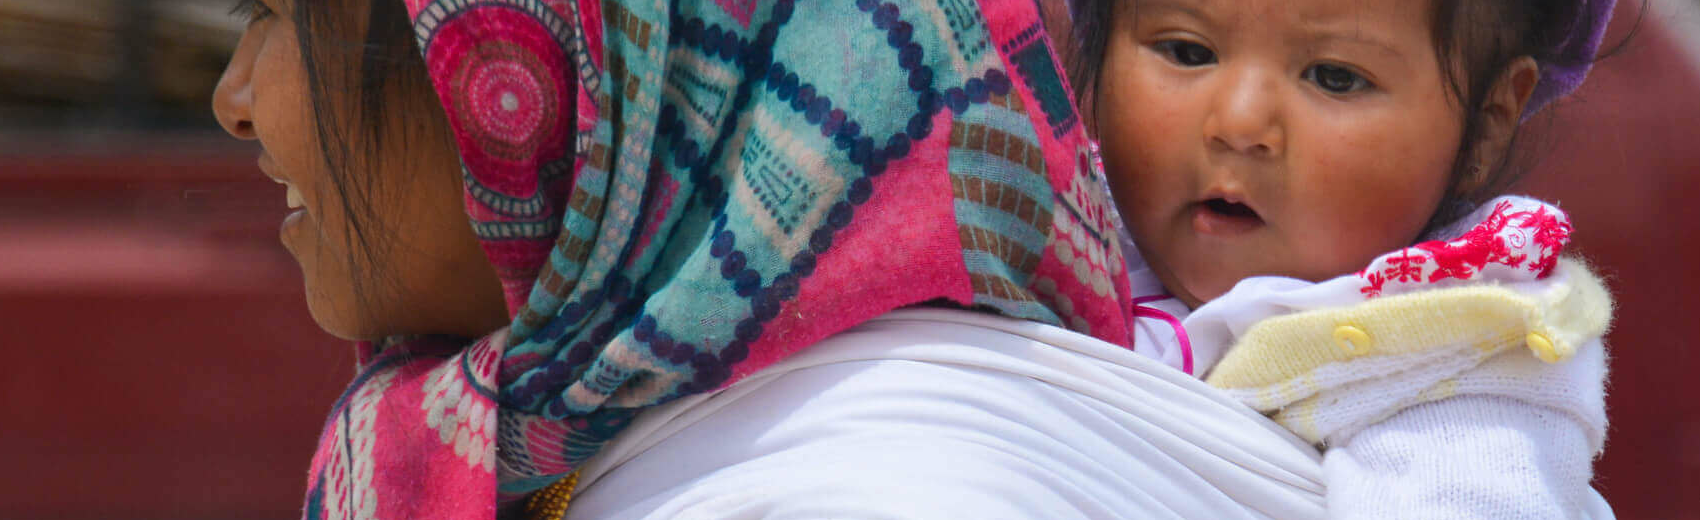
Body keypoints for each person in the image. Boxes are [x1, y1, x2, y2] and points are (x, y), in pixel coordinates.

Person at [214, 0, 1342, 518]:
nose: (234, 99)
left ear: (528, 62)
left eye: (272, 12)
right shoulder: (650, 433)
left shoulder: (869, 489)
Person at [1068, 0, 1621, 517]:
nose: (1239, 124)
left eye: (1335, 77)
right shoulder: (1046, 220)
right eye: (1187, 51)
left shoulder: (1459, 362)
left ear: (1484, 126)